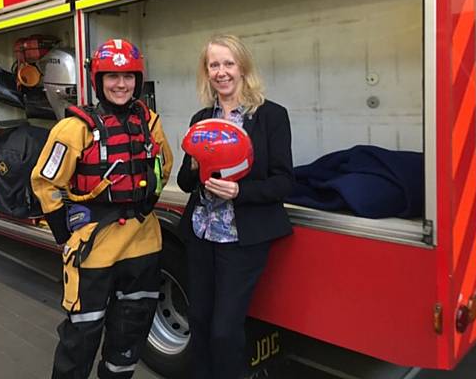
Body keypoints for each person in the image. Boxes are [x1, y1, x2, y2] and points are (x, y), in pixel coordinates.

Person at [31, 38, 173, 379]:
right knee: (82, 334)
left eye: (128, 77)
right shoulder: (74, 128)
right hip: (92, 251)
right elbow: (45, 182)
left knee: (130, 331)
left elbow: (163, 167)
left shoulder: (150, 123)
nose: (121, 84)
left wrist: (146, 199)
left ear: (138, 81)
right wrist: (65, 235)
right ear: (98, 80)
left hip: (143, 244)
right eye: (112, 76)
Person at [177, 34, 294, 379]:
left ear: (242, 67)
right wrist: (197, 166)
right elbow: (185, 182)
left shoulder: (270, 116)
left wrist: (238, 191)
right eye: (214, 64)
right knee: (198, 320)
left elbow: (285, 181)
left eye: (228, 63)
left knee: (225, 330)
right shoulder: (201, 117)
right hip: (201, 235)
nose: (221, 71)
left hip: (242, 240)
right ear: (207, 71)